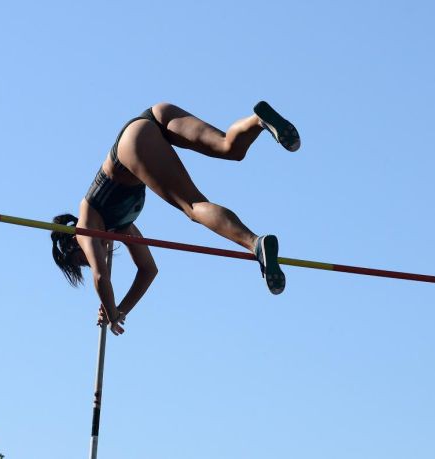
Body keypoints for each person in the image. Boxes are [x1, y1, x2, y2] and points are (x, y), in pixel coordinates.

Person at [51, 101, 300, 335]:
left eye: (81, 260)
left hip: (131, 145)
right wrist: (120, 310)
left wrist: (111, 310)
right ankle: (258, 120)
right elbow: (148, 270)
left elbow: (100, 276)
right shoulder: (122, 226)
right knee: (229, 148)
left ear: (73, 243)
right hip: (156, 115)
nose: (93, 257)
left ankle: (255, 244)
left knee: (193, 206)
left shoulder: (85, 226)